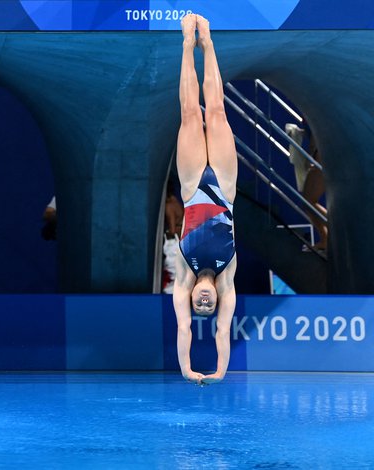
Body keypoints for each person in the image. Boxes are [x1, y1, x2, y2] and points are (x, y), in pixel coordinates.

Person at [172, 14, 237, 385]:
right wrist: (219, 371)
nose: (203, 303)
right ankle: (207, 41)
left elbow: (185, 331)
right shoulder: (227, 278)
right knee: (216, 112)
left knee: (188, 116)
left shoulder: (183, 277)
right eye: (206, 307)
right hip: (225, 188)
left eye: (199, 303)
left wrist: (186, 369)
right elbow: (221, 333)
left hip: (193, 185)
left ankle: (186, 44)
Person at [285, 123, 328, 251]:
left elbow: (320, 132)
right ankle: (326, 239)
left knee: (309, 200)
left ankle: (336, 231)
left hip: (321, 157)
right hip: (318, 155)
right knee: (308, 201)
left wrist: (315, 158)